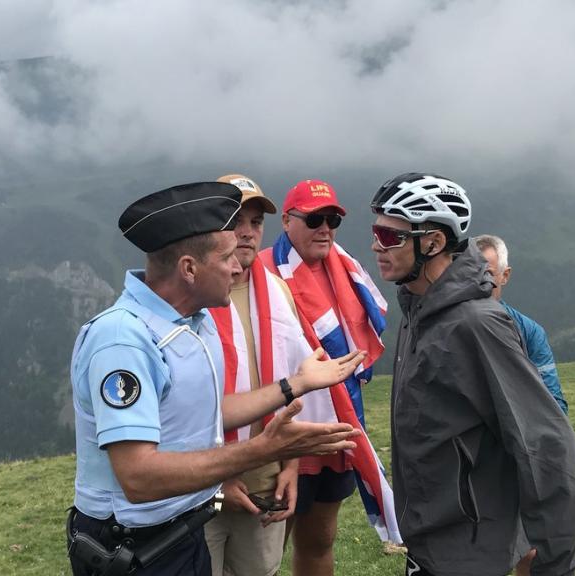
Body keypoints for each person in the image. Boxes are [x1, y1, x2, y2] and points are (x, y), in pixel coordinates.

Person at [66, 181, 368, 576]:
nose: (238, 267)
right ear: (189, 269)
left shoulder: (195, 323)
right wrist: (263, 449)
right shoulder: (123, 340)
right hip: (134, 545)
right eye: (226, 258)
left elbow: (211, 412)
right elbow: (138, 477)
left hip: (184, 526)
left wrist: (294, 385)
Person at [371, 172, 575, 576]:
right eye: (376, 232)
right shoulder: (417, 309)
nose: (375, 245)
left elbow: (545, 445)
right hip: (429, 542)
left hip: (466, 551)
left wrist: (556, 564)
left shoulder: (475, 325)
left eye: (389, 236)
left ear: (433, 242)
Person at [258, 179, 394, 576]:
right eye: (314, 219)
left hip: (336, 425)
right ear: (286, 221)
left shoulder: (347, 271)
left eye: (333, 220)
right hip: (282, 427)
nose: (325, 230)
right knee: (265, 549)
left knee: (320, 539)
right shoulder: (261, 269)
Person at [203, 174, 310, 576]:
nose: (247, 232)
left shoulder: (279, 293)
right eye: (235, 221)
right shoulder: (192, 295)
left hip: (264, 485)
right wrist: (218, 482)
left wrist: (291, 467)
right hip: (201, 486)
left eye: (255, 222)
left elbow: (296, 380)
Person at [474, 234, 568, 414]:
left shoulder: (529, 332)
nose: (478, 282)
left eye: (488, 274)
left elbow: (554, 403)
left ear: (505, 275)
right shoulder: (445, 324)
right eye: (470, 273)